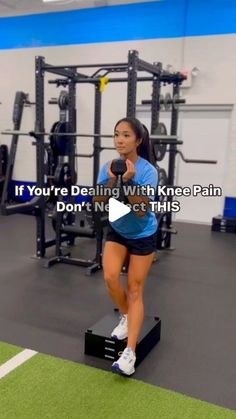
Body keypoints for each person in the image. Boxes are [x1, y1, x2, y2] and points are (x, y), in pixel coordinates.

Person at [94, 117, 158, 376]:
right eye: (116, 134)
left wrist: (130, 181)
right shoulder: (108, 166)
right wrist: (111, 181)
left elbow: (142, 211)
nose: (120, 140)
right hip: (118, 229)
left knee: (134, 289)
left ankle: (129, 353)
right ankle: (127, 316)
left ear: (138, 140)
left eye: (126, 135)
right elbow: (98, 202)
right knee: (110, 278)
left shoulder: (147, 171)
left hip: (143, 233)